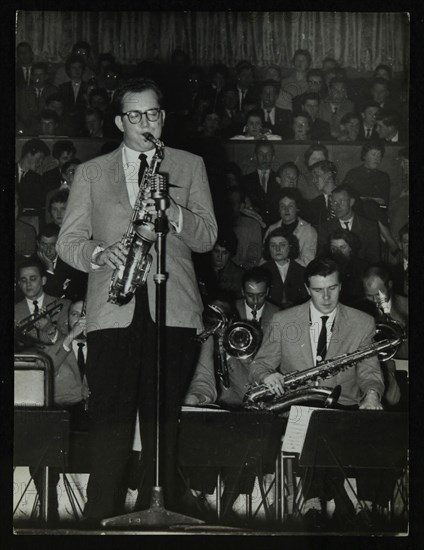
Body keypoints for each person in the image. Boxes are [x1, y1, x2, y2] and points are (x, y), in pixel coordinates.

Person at [56, 77, 217, 521]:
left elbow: (207, 238)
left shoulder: (189, 165)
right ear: (118, 121)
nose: (144, 123)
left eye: (151, 114)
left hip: (175, 311)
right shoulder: (91, 172)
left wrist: (173, 211)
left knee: (163, 426)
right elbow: (67, 242)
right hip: (113, 308)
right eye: (133, 115)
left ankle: (158, 519)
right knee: (111, 427)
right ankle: (99, 522)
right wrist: (99, 253)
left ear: (162, 118)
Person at [248, 257, 384, 524]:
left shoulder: (362, 322)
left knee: (367, 430)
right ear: (307, 289)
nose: (325, 297)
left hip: (343, 409)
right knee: (314, 424)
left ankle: (319, 503)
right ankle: (343, 504)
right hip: (298, 410)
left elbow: (369, 371)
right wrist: (268, 375)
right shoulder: (283, 320)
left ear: (341, 286)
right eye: (318, 290)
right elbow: (259, 365)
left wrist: (371, 394)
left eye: (332, 288)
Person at [318, 184, 381, 265]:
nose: (337, 206)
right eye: (334, 202)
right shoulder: (325, 228)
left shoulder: (369, 226)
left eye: (342, 201)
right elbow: (322, 258)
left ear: (351, 202)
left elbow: (374, 260)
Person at [265, 188, 317, 267]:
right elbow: (264, 257)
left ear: (297, 208)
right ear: (278, 209)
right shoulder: (271, 229)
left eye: (290, 206)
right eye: (282, 206)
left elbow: (307, 262)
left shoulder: (308, 231)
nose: (286, 209)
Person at [36, 223, 88, 301]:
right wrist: (50, 268)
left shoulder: (72, 263)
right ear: (38, 244)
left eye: (53, 244)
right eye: (44, 244)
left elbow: (70, 296)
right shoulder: (32, 265)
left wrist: (50, 269)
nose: (48, 250)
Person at [262, 228, 309, 308]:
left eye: (282, 245)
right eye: (273, 245)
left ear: (290, 246)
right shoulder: (262, 271)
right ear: (268, 248)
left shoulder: (301, 271)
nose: (277, 249)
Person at [241, 141, 281, 226]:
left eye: (268, 154)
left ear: (273, 157)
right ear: (255, 157)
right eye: (260, 154)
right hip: (253, 226)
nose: (264, 157)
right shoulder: (245, 180)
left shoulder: (280, 179)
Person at [327, 227, 368, 306]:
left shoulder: (362, 267)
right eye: (333, 248)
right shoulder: (327, 267)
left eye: (342, 247)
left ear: (351, 248)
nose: (337, 252)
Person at [15, 138, 50, 212]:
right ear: (28, 154)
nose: (40, 163)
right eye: (39, 158)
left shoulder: (38, 180)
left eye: (42, 160)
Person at [307, 159, 338, 229]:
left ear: (329, 174)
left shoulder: (347, 196)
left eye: (317, 176)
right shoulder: (314, 204)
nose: (313, 180)